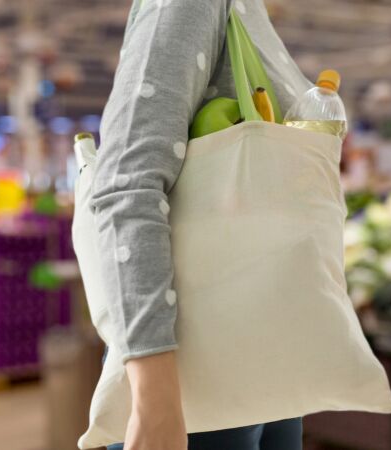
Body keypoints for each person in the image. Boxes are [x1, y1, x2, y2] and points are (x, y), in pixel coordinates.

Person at [91, 0, 312, 449]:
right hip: (196, 372)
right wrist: (156, 405)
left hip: (265, 355)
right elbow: (127, 187)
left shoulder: (245, 12)